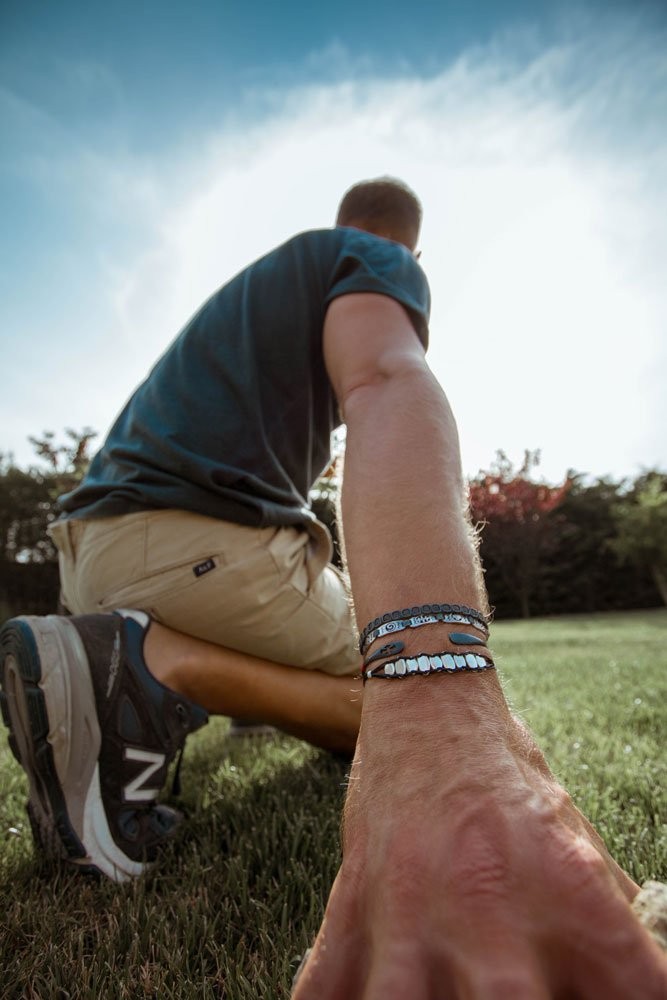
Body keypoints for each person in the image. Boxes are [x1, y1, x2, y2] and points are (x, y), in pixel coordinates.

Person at [0, 177, 664, 998]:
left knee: (317, 587)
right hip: (188, 545)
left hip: (98, 549)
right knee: (383, 695)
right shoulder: (373, 261)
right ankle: (162, 663)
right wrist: (437, 684)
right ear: (407, 252)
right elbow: (386, 378)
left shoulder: (273, 287)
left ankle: (197, 669)